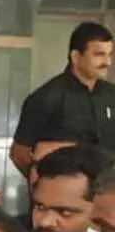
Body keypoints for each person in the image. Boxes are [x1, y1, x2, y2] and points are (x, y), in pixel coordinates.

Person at [12, 22, 115, 176]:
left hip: (107, 194)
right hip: (63, 196)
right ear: (75, 56)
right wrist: (44, 185)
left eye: (110, 54)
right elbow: (19, 154)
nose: (107, 62)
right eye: (99, 55)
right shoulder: (46, 98)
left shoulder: (111, 95)